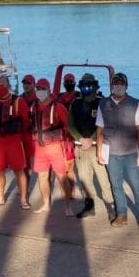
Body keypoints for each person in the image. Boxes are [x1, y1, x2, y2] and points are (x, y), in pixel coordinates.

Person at [96, 72, 139, 229]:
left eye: (121, 83)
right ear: (112, 86)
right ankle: (121, 214)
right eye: (116, 83)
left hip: (130, 153)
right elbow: (100, 129)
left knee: (136, 185)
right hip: (111, 153)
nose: (118, 86)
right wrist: (99, 152)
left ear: (126, 86)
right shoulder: (103, 104)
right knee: (116, 185)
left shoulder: (135, 104)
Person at [68, 73, 116, 222]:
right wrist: (80, 138)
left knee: (104, 179)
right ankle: (89, 206)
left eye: (89, 86)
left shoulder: (103, 102)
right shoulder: (75, 103)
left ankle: (112, 206)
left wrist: (92, 139)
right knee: (84, 179)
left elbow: (108, 123)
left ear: (95, 87)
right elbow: (70, 125)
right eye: (83, 86)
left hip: (97, 147)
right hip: (80, 147)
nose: (86, 89)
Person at [0, 75, 30, 209]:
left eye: (2, 85)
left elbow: (26, 122)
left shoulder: (18, 101)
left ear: (8, 86)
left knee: (19, 171)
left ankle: (23, 199)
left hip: (14, 141)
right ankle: (0, 197)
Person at [30, 78, 71, 214]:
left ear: (48, 90)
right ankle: (46, 204)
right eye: (38, 89)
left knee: (61, 177)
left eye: (43, 89)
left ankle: (67, 207)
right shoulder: (33, 107)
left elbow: (67, 126)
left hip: (55, 147)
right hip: (39, 148)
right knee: (42, 177)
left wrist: (66, 145)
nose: (40, 91)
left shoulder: (58, 107)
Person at [57, 72, 79, 209]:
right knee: (65, 165)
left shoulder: (79, 96)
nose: (69, 84)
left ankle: (72, 189)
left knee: (70, 165)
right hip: (63, 134)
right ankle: (69, 189)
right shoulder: (59, 97)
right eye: (67, 81)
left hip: (75, 132)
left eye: (71, 81)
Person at [19, 74, 37, 185]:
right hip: (24, 134)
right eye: (24, 83)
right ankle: (26, 186)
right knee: (25, 163)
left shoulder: (39, 98)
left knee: (41, 164)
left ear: (34, 85)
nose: (26, 86)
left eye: (28, 83)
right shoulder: (20, 99)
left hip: (37, 134)